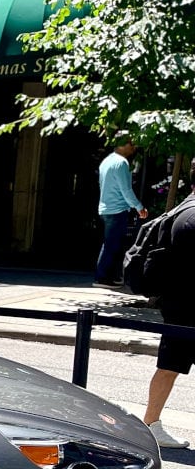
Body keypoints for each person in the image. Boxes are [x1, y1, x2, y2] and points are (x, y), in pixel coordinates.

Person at [144, 189, 195, 448]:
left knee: (169, 367)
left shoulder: (183, 209)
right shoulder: (191, 216)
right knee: (169, 367)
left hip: (180, 305)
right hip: (187, 307)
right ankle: (151, 425)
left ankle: (152, 424)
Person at [95, 132, 147, 288]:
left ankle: (107, 276)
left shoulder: (106, 161)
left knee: (110, 243)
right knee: (112, 245)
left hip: (106, 207)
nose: (134, 147)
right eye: (131, 144)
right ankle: (103, 278)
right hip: (117, 209)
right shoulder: (122, 163)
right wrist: (139, 207)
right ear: (122, 144)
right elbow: (126, 190)